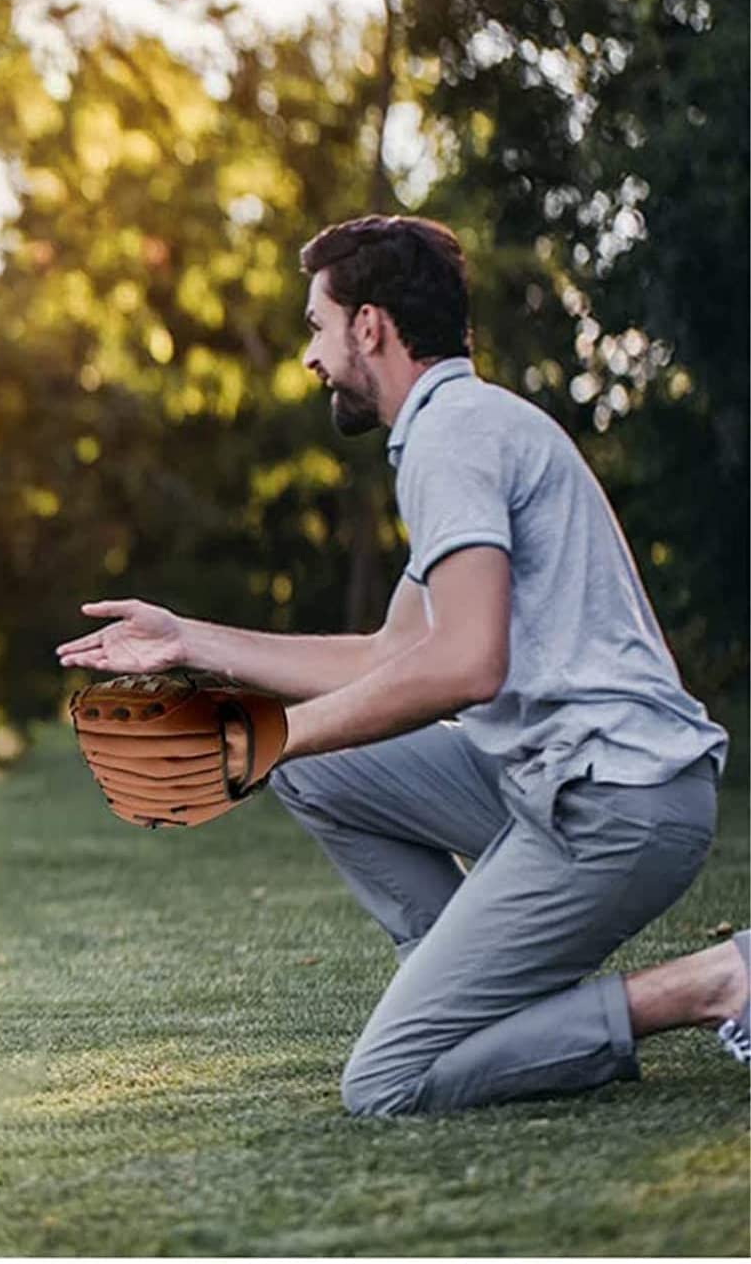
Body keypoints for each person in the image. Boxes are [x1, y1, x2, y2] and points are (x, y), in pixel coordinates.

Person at [57, 214, 746, 1115]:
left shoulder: (449, 437)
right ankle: (471, 1001)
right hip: (561, 778)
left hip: (614, 801)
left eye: (316, 325)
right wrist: (190, 641)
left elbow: (466, 666)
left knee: (388, 1082)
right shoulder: (466, 421)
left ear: (369, 326)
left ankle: (716, 981)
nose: (311, 356)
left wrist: (266, 737)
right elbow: (392, 655)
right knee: (319, 772)